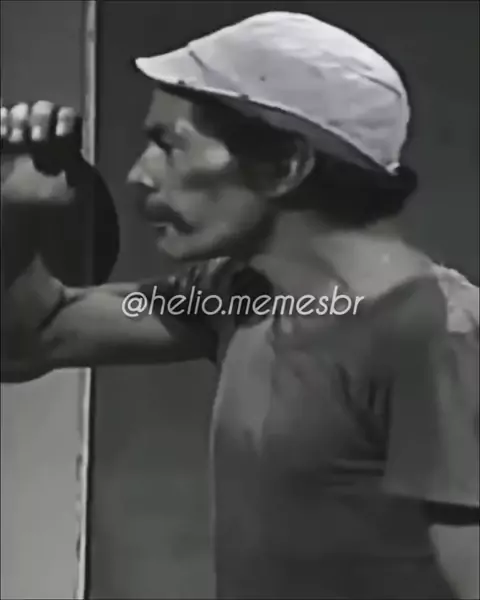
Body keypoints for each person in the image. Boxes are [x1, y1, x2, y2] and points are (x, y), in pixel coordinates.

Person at [1, 11, 478, 600]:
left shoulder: (440, 338)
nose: (138, 175)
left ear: (284, 166)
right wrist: (16, 217)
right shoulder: (240, 295)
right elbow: (35, 336)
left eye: (168, 145)